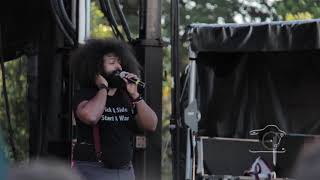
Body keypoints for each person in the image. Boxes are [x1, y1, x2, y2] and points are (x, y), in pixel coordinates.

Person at [71, 38, 158, 180]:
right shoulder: (85, 94)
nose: (118, 67)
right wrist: (103, 88)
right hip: (92, 170)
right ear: (97, 67)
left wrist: (135, 94)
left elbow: (151, 125)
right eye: (112, 62)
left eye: (119, 62)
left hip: (125, 171)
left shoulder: (126, 96)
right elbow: (91, 116)